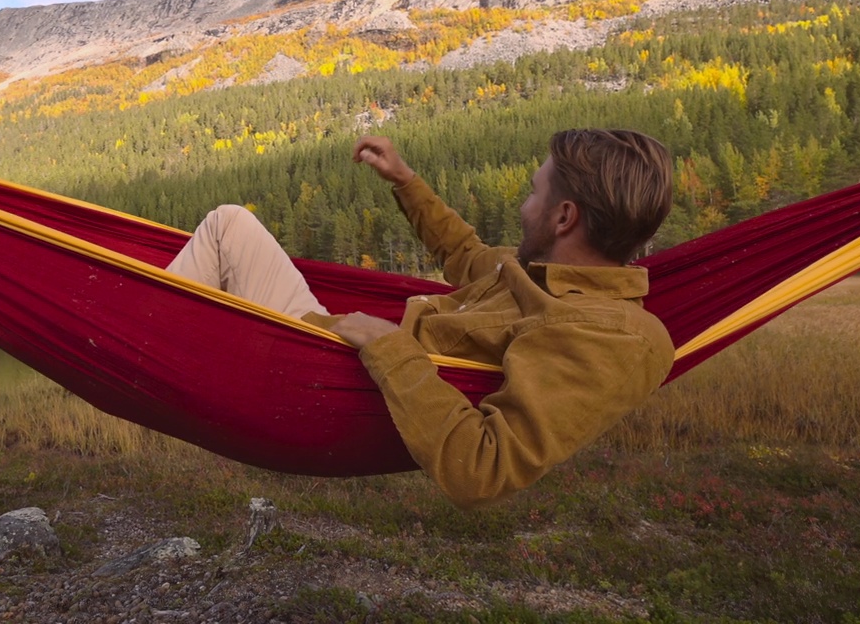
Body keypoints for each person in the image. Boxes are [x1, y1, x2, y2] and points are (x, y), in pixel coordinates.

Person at [166, 130, 675, 507]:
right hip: (326, 336)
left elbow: (482, 468)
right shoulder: (535, 272)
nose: (524, 207)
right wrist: (404, 180)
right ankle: (149, 333)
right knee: (229, 224)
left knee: (210, 247)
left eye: (533, 192)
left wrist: (388, 346)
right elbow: (464, 252)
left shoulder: (609, 335)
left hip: (330, 375)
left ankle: (149, 345)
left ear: (564, 217)